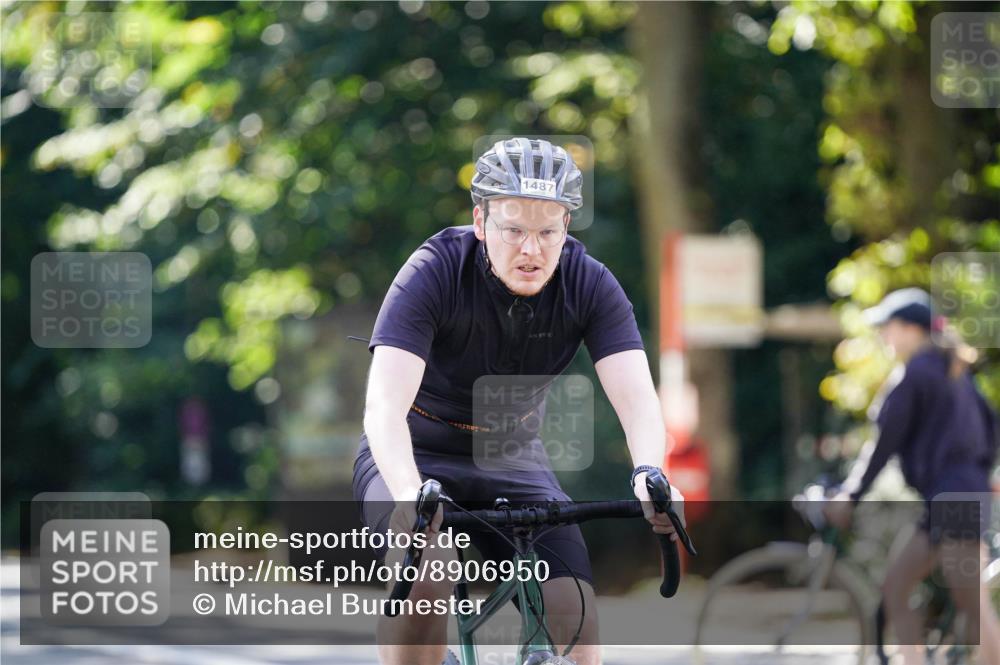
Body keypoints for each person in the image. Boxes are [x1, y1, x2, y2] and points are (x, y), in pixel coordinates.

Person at [353, 137, 683, 665]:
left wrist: (650, 470)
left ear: (566, 229)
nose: (531, 249)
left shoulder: (589, 283)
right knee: (427, 578)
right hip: (414, 453)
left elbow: (638, 398)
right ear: (481, 223)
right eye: (513, 230)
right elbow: (383, 409)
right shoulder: (433, 270)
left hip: (512, 458)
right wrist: (409, 495)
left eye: (548, 231)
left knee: (575, 615)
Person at [824, 288, 1000, 665]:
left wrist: (850, 494)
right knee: (899, 586)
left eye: (889, 326)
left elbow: (882, 444)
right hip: (957, 499)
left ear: (912, 329)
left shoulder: (914, 374)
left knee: (972, 605)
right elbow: (992, 427)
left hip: (953, 502)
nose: (884, 336)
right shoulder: (955, 371)